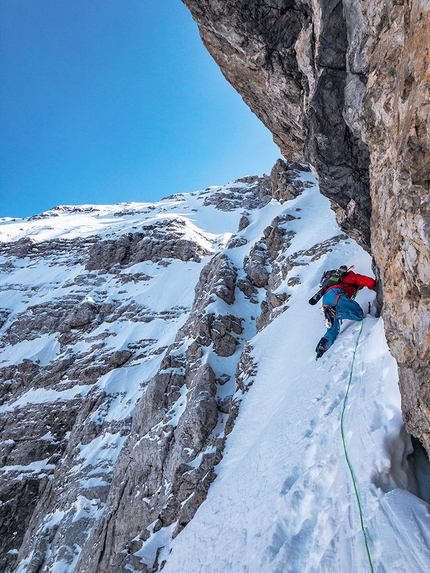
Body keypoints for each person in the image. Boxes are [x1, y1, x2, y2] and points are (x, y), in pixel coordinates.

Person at [309, 265, 376, 358]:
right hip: (337, 294)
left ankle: (321, 350)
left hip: (326, 301)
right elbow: (370, 282)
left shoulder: (335, 282)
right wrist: (375, 287)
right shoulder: (350, 277)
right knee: (358, 314)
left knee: (333, 329)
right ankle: (336, 313)